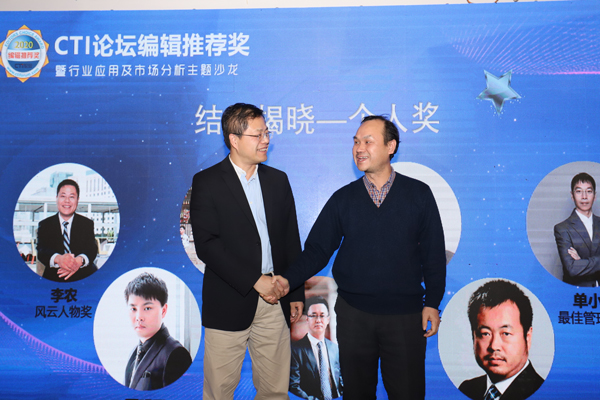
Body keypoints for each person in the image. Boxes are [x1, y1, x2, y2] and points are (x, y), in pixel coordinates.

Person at [275, 115, 446, 399]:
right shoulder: (343, 199)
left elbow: (433, 253)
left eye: (368, 141)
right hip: (354, 315)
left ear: (391, 146)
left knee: (408, 392)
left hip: (405, 316)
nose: (359, 148)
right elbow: (317, 250)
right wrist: (286, 280)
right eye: (356, 142)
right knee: (356, 393)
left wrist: (433, 303)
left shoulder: (419, 194)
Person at [190, 103, 304, 400]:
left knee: (275, 391)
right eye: (258, 134)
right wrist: (255, 280)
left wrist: (295, 291)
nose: (266, 140)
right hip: (228, 299)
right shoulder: (207, 182)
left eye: (267, 133)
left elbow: (291, 240)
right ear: (234, 139)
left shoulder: (278, 180)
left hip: (275, 298)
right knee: (219, 392)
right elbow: (207, 245)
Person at [459, 280, 544, 400]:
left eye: (506, 333)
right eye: (485, 334)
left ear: (528, 337)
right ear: (474, 336)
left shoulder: (544, 392)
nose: (494, 346)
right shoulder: (467, 389)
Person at [123, 272, 192, 390]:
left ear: (163, 311)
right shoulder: (133, 352)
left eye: (147, 308)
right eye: (133, 308)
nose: (139, 317)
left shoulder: (176, 355)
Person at [36, 179, 98, 282]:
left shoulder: (87, 223)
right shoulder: (45, 224)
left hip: (83, 276)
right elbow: (41, 251)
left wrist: (79, 261)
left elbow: (92, 248)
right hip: (54, 277)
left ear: (77, 200)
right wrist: (59, 259)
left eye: (72, 197)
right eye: (63, 196)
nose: (67, 201)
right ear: (57, 198)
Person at [290, 296, 343, 400]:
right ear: (307, 319)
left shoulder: (335, 348)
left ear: (328, 319)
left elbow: (340, 381)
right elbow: (294, 386)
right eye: (313, 316)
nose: (318, 320)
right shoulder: (295, 350)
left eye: (322, 316)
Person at [554, 172, 600, 287]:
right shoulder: (562, 229)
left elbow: (578, 266)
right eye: (579, 191)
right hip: (578, 293)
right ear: (572, 195)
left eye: (589, 191)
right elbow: (572, 269)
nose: (584, 196)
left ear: (594, 195)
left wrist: (581, 261)